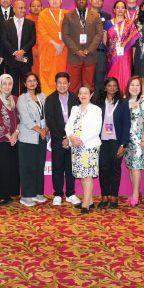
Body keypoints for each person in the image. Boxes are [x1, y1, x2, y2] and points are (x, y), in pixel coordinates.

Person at [65, 85, 103, 214]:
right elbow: (68, 126)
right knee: (82, 174)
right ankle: (90, 200)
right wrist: (71, 137)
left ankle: (85, 203)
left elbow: (96, 130)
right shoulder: (75, 109)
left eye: (86, 93)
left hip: (89, 146)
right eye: (81, 93)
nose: (83, 95)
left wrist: (79, 140)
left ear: (91, 95)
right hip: (76, 147)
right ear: (78, 95)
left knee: (87, 175)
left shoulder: (96, 110)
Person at [45, 72, 80, 206]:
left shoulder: (75, 98)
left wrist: (70, 138)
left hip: (72, 139)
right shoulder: (50, 99)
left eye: (65, 83)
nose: (62, 85)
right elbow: (50, 121)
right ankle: (58, 194)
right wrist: (62, 138)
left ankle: (70, 193)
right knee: (58, 167)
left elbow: (78, 119)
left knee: (70, 167)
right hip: (57, 138)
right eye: (59, 83)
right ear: (55, 84)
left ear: (69, 84)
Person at [95, 77, 131, 209]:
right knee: (103, 169)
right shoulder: (99, 102)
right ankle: (104, 196)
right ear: (105, 87)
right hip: (101, 141)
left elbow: (126, 124)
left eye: (114, 85)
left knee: (115, 169)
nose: (112, 88)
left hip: (117, 142)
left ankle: (114, 196)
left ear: (117, 88)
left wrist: (123, 145)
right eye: (109, 85)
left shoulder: (123, 103)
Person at [0, 74, 20, 205]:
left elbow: (19, 118)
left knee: (9, 168)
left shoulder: (15, 99)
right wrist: (9, 136)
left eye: (9, 84)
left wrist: (16, 133)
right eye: (4, 84)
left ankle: (6, 193)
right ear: (0, 85)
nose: (7, 87)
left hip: (13, 140)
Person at [16, 73, 48, 207]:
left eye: (34, 80)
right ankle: (26, 196)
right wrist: (40, 130)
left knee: (39, 166)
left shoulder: (43, 96)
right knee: (28, 167)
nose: (32, 83)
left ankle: (37, 193)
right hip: (28, 137)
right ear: (24, 83)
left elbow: (48, 115)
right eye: (29, 81)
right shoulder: (22, 98)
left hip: (42, 137)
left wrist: (45, 130)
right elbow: (25, 118)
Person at [62, 0, 103, 92]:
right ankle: (73, 103)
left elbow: (99, 34)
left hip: (90, 56)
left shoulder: (95, 16)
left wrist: (89, 50)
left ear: (87, 1)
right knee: (73, 86)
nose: (81, 1)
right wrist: (76, 51)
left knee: (88, 86)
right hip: (74, 56)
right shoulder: (68, 16)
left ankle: (88, 102)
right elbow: (65, 35)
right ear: (75, 1)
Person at [124, 76, 144, 207]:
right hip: (127, 140)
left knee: (136, 168)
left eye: (137, 85)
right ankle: (135, 193)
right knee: (131, 167)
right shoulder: (125, 101)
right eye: (132, 85)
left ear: (141, 88)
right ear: (128, 87)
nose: (134, 88)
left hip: (139, 140)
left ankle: (136, 195)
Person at [1, 0, 36, 95]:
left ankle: (26, 103)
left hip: (26, 60)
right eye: (20, 8)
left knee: (26, 86)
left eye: (24, 8)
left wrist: (22, 51)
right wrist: (15, 52)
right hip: (11, 60)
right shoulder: (6, 23)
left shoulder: (30, 23)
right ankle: (14, 104)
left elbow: (33, 39)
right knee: (13, 86)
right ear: (14, 9)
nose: (23, 10)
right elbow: (4, 40)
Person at [37, 0, 69, 96]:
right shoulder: (43, 14)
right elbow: (42, 33)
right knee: (46, 77)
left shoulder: (67, 14)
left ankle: (61, 99)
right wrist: (56, 44)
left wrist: (62, 45)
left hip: (62, 52)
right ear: (48, 1)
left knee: (61, 76)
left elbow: (71, 32)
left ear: (61, 1)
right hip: (48, 52)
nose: (54, 1)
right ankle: (47, 99)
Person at [104, 0, 140, 90]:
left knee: (126, 76)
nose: (120, 10)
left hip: (126, 56)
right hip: (112, 56)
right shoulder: (108, 23)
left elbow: (133, 42)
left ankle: (125, 96)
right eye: (118, 7)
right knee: (112, 77)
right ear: (114, 10)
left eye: (122, 8)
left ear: (125, 10)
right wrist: (112, 50)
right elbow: (104, 39)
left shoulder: (130, 24)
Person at [90, 0, 111, 93]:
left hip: (101, 52)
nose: (97, 1)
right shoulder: (83, 14)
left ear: (102, 2)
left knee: (99, 81)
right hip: (88, 52)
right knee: (87, 80)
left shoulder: (107, 17)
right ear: (90, 1)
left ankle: (98, 101)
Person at [27, 0, 42, 79]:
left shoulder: (45, 20)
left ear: (42, 8)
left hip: (44, 49)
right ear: (29, 8)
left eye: (38, 6)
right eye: (33, 6)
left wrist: (40, 49)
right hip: (31, 50)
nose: (36, 8)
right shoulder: (26, 20)